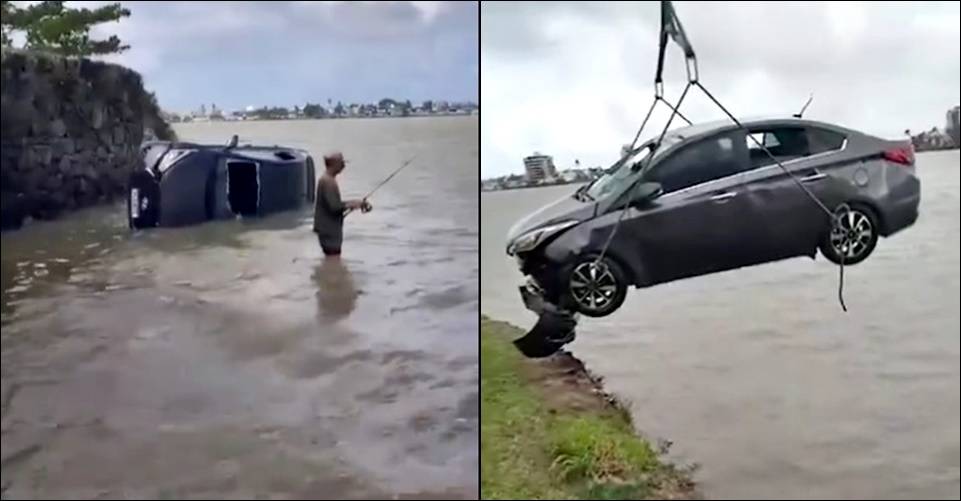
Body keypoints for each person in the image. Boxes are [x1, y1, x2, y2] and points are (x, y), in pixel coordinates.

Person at [313, 152, 371, 256]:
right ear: (334, 164)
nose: (344, 166)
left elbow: (334, 205)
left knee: (331, 259)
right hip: (329, 230)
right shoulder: (328, 182)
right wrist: (354, 204)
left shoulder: (327, 179)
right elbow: (335, 207)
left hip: (327, 228)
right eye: (342, 163)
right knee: (333, 258)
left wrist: (354, 203)